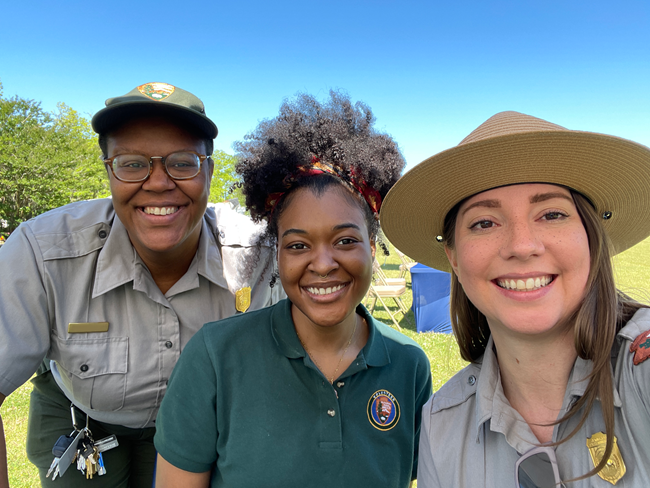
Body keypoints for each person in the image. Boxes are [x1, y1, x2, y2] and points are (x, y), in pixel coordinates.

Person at [0, 82, 283, 488]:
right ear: (108, 170)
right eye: (132, 163)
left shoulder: (262, 252)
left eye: (183, 162)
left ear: (209, 170)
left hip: (200, 420)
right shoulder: (40, 252)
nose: (157, 183)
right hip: (80, 412)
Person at [153, 91, 433, 488]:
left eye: (345, 241)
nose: (322, 264)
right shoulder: (216, 357)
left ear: (372, 248)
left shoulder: (409, 365)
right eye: (298, 245)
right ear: (278, 253)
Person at [380, 111, 650, 487]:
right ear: (454, 259)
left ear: (592, 238)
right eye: (484, 223)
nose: (522, 246)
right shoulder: (441, 424)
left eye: (552, 214)